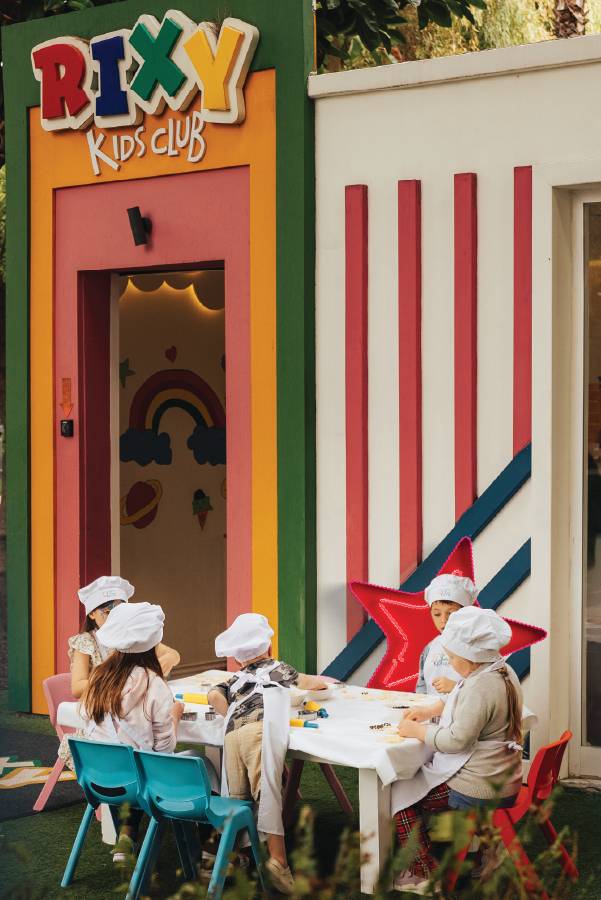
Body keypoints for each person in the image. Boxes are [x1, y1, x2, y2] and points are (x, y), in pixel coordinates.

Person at [392, 607, 523, 894]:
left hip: (480, 784)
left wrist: (418, 731)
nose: (449, 664)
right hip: (505, 773)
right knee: (411, 786)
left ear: (470, 656)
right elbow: (461, 698)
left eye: (452, 658)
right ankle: (489, 849)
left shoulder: (481, 686)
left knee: (400, 794)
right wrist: (431, 710)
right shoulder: (500, 669)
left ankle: (423, 872)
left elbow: (456, 741)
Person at [208, 613, 328, 895]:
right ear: (269, 648)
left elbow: (214, 696)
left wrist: (234, 717)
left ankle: (230, 857)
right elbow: (309, 683)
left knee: (236, 798)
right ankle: (277, 860)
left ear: (238, 658)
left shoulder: (235, 678)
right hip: (259, 733)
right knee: (268, 791)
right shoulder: (277, 668)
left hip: (232, 735)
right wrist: (325, 685)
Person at [80, 601, 189, 862]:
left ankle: (126, 835)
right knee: (203, 767)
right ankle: (208, 851)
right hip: (141, 782)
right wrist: (175, 715)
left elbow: (89, 726)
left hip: (99, 781)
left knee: (125, 759)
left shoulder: (96, 678)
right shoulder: (154, 683)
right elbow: (165, 750)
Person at [58, 576, 181, 769]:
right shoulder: (88, 644)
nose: (112, 618)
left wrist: (147, 673)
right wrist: (131, 680)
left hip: (101, 769)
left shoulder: (114, 667)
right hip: (113, 732)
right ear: (91, 614)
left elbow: (173, 655)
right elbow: (77, 688)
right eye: (107, 612)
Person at [416, 571, 478, 697]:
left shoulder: (477, 646)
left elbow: (487, 688)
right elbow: (422, 685)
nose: (443, 620)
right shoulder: (430, 648)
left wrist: (456, 686)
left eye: (450, 613)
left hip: (464, 714)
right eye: (437, 614)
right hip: (432, 713)